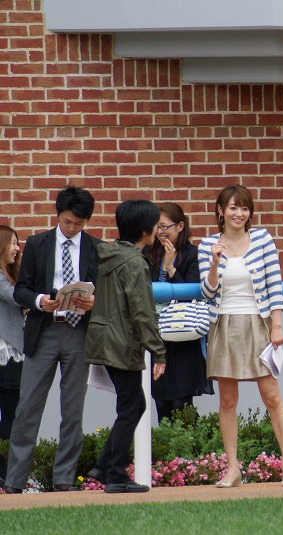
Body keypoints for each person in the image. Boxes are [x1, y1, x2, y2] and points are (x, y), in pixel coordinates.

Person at [198, 184, 283, 488]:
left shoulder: (263, 239)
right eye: (232, 207)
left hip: (259, 323)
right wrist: (215, 261)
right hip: (224, 325)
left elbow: (274, 282)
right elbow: (207, 291)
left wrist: (276, 324)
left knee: (271, 396)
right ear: (220, 211)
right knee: (227, 400)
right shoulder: (206, 244)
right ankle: (232, 468)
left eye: (244, 208)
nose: (239, 213)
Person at [4, 186, 101, 494]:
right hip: (44, 328)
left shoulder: (96, 247)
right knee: (28, 405)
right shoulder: (37, 244)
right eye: (68, 221)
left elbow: (103, 290)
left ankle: (64, 479)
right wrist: (40, 300)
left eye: (79, 223)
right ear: (58, 215)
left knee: (73, 409)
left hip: (78, 331)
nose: (72, 228)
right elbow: (21, 290)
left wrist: (92, 302)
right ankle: (15, 480)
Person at [84, 199, 166, 494]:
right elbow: (143, 311)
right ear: (145, 230)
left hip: (103, 340)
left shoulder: (109, 255)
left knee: (132, 404)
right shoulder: (134, 263)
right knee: (132, 406)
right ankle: (114, 473)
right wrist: (158, 350)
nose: (158, 230)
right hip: (121, 343)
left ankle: (106, 466)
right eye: (156, 225)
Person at [143, 202, 212, 423]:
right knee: (161, 401)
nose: (161, 232)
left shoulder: (193, 255)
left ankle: (189, 456)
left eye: (166, 227)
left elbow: (190, 296)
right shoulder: (148, 253)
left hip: (183, 335)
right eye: (158, 227)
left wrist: (171, 268)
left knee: (181, 403)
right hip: (157, 334)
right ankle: (169, 456)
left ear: (180, 226)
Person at [0, 226, 23, 486]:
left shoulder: (8, 274)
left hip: (14, 351)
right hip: (6, 353)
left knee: (12, 415)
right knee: (10, 416)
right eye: (13, 244)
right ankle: (5, 474)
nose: (17, 249)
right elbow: (15, 297)